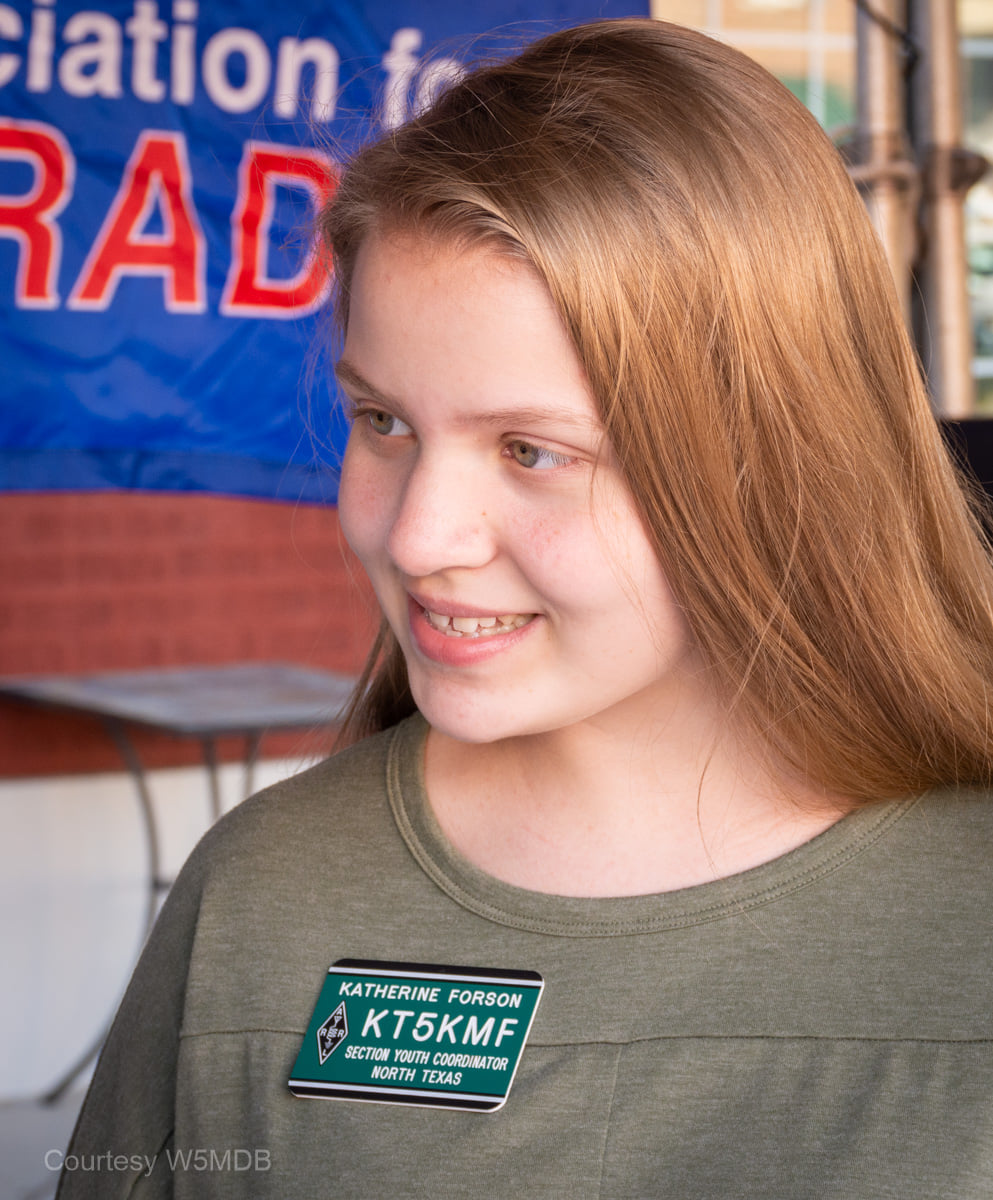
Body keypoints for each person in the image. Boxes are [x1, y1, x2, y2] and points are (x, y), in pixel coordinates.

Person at [58, 18, 993, 1199]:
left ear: (773, 461)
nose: (417, 537)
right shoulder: (262, 899)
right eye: (383, 422)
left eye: (531, 450)